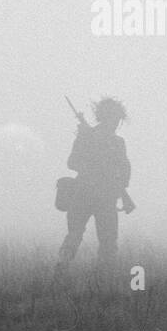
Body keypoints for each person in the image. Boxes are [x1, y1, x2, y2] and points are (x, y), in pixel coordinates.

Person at [58, 96, 132, 272]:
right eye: (112, 119)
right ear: (103, 117)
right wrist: (92, 160)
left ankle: (104, 280)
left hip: (106, 198)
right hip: (83, 194)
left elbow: (122, 173)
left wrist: (122, 194)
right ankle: (60, 273)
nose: (115, 123)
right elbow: (72, 163)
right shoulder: (86, 137)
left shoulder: (117, 143)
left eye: (117, 120)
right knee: (74, 237)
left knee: (108, 242)